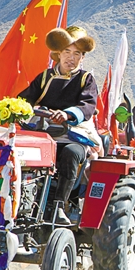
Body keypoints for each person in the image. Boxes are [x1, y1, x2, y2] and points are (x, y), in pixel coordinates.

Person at [19, 26, 99, 225]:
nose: (71, 58)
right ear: (58, 54)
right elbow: (25, 99)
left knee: (71, 153)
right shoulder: (45, 77)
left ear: (82, 57)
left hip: (73, 135)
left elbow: (87, 106)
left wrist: (67, 114)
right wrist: (15, 108)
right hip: (43, 133)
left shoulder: (86, 79)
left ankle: (59, 206)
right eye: (67, 52)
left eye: (76, 53)